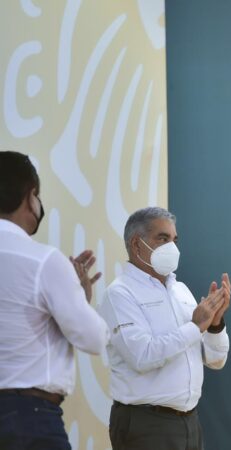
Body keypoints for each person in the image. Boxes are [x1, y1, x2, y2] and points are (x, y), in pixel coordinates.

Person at [98, 207, 231, 450]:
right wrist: (195, 326)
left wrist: (214, 325)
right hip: (146, 424)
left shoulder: (180, 290)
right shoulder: (120, 294)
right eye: (163, 238)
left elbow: (215, 360)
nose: (173, 247)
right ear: (137, 245)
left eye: (174, 240)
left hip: (189, 421)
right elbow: (142, 356)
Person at [0, 150, 108, 449]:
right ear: (30, 196)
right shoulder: (44, 261)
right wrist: (80, 297)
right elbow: (93, 339)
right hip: (28, 420)